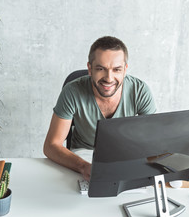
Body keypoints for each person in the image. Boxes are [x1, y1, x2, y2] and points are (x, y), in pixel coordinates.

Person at [43, 36, 156, 181]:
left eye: (116, 69)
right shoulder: (72, 91)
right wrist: (83, 166)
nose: (109, 78)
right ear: (90, 69)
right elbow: (51, 145)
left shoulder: (140, 90)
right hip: (84, 157)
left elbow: (152, 142)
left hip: (125, 158)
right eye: (101, 69)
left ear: (125, 70)